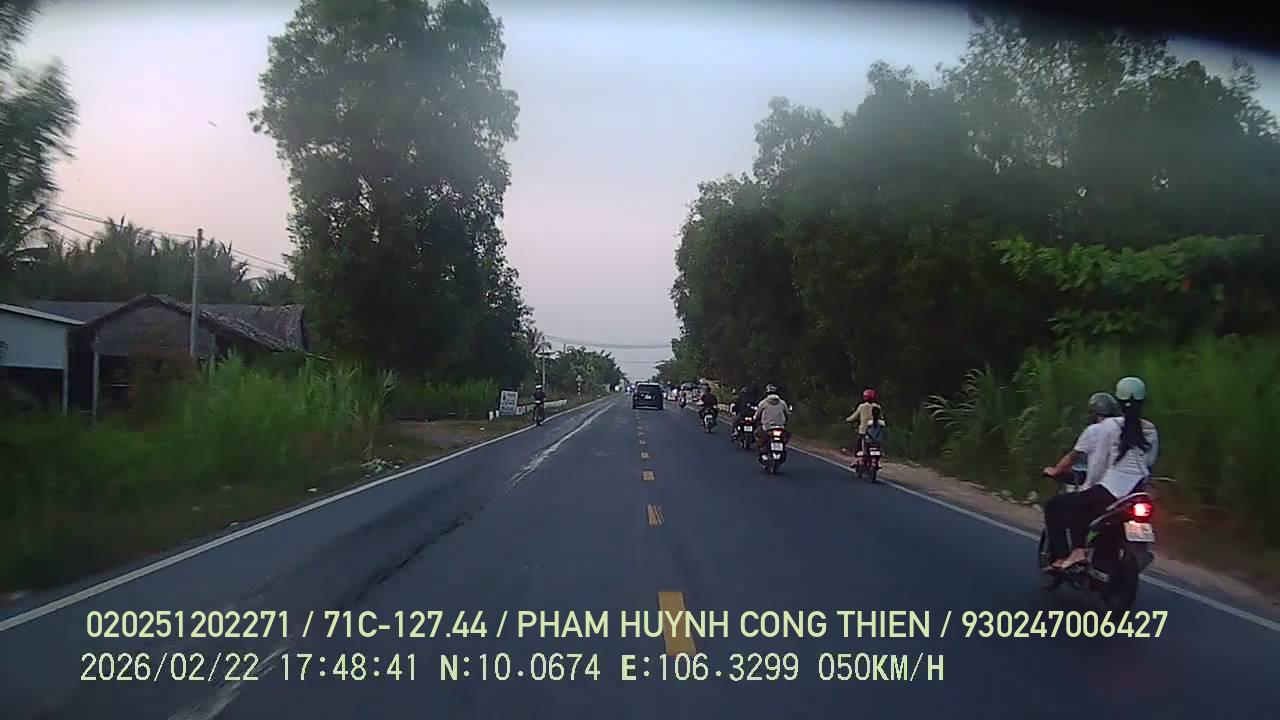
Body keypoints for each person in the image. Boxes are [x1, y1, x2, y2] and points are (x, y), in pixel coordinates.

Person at [1043, 377, 1160, 571]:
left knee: (1057, 505)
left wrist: (1089, 486)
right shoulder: (1151, 430)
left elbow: (1099, 463)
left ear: (1119, 401)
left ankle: (1076, 552)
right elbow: (1149, 461)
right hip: (1138, 492)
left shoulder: (1110, 426)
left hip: (1111, 491)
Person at [846, 389, 883, 463]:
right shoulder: (878, 407)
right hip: (875, 432)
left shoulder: (862, 407)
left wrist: (847, 420)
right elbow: (881, 418)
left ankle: (858, 459)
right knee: (877, 444)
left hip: (864, 431)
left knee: (858, 444)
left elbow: (854, 417)